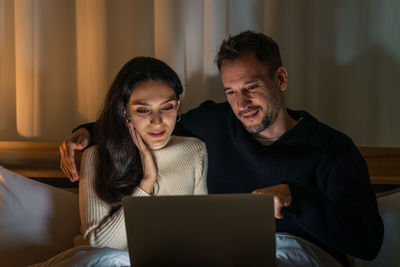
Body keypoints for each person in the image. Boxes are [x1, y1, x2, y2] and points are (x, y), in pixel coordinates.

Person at [60, 31, 383, 266]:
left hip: (301, 254)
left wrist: (294, 196)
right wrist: (87, 133)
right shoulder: (215, 123)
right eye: (230, 91)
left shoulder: (331, 149)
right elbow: (152, 122)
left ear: (281, 79)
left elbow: (368, 241)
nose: (241, 104)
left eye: (251, 87)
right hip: (228, 255)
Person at [72, 56, 208, 250]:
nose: (157, 121)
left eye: (166, 107)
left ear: (177, 104)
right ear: (124, 111)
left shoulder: (194, 150)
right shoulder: (96, 156)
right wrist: (147, 181)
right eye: (143, 110)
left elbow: (200, 230)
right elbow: (97, 244)